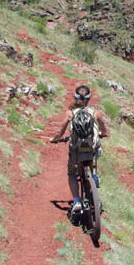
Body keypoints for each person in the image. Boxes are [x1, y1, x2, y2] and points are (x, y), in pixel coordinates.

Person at [49, 84, 109, 213]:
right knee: (93, 156)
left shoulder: (70, 113)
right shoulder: (95, 112)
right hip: (91, 149)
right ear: (89, 98)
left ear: (75, 97)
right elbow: (104, 129)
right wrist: (103, 134)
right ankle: (94, 176)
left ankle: (76, 201)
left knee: (72, 173)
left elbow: (60, 132)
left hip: (76, 150)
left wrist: (54, 139)